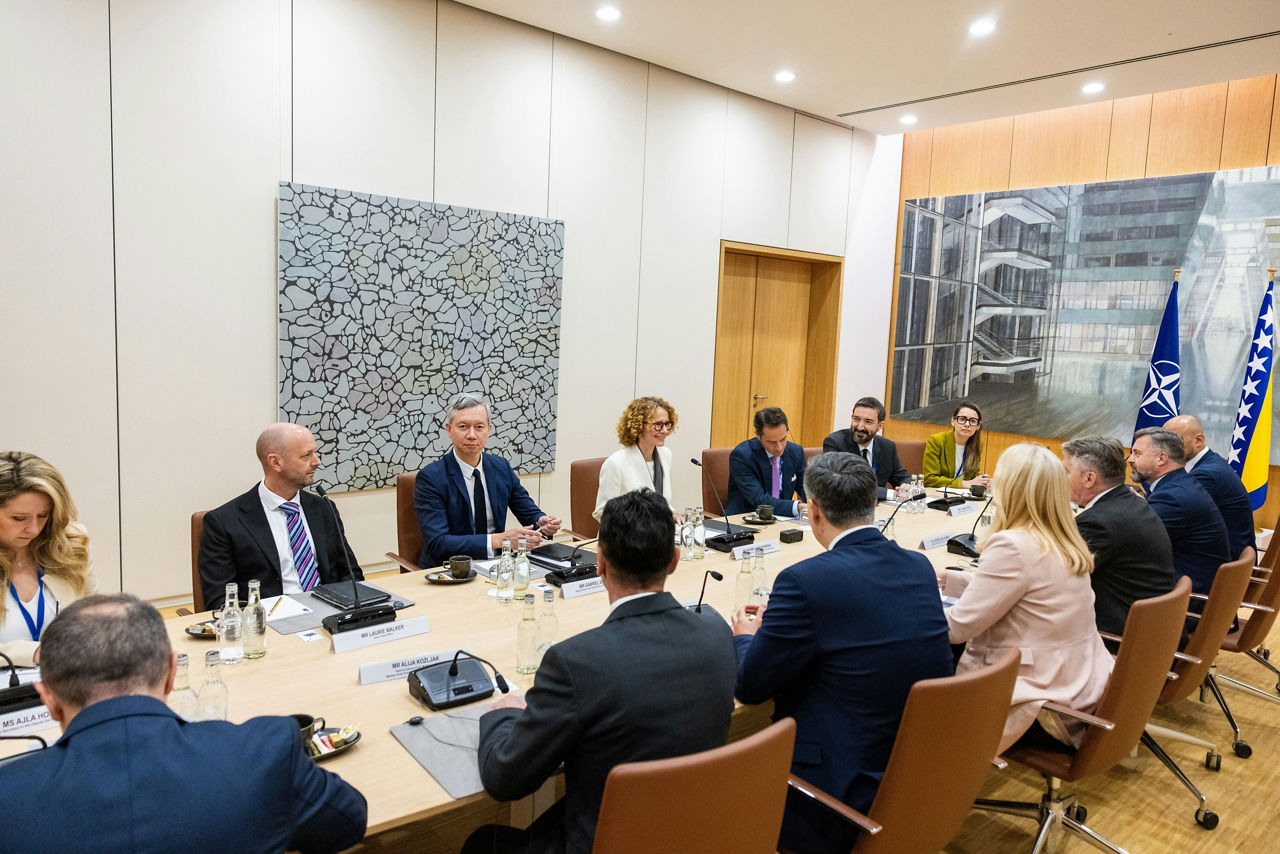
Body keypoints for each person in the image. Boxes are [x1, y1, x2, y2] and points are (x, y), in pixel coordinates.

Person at [463, 489, 736, 854]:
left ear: (601, 562)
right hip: (694, 830)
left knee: (482, 843)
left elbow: (505, 779)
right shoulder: (716, 631)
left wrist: (504, 715)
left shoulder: (575, 662)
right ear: (673, 560)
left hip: (606, 838)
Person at [0, 594, 367, 853]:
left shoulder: (9, 797)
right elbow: (348, 823)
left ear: (47, 697)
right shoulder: (263, 752)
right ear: (172, 673)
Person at [732, 453, 953, 854]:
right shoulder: (918, 566)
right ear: (874, 503)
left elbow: (750, 688)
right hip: (916, 776)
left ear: (813, 512)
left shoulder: (804, 581)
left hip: (834, 789)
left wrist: (746, 635)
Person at [939, 443, 1113, 753]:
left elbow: (956, 629)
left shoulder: (1013, 546)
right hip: (1081, 687)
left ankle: (938, 760)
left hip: (1040, 706)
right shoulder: (1061, 537)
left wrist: (906, 603)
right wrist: (947, 580)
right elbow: (1020, 591)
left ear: (1010, 488)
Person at [199, 423, 362, 611]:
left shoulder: (324, 508)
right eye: (306, 455)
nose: (317, 462)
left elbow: (351, 574)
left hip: (330, 614)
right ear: (276, 462)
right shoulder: (224, 522)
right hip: (268, 623)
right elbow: (220, 601)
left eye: (315, 453)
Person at [415, 392, 562, 567]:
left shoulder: (501, 467)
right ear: (449, 429)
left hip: (497, 565)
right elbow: (438, 542)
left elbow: (528, 512)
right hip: (450, 568)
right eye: (463, 426)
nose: (471, 435)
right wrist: (498, 540)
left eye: (479, 427)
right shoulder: (431, 477)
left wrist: (541, 521)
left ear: (489, 430)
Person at [1062, 437, 1175, 648]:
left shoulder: (1098, 523)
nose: (1060, 478)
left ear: (1089, 479)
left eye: (1066, 471)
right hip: (1151, 634)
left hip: (1118, 641)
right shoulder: (1129, 501)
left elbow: (1056, 578)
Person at [0, 452, 98, 667]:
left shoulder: (71, 542)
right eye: (19, 518)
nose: (33, 529)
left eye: (43, 516)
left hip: (68, 683)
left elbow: (94, 615)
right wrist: (33, 653)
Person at [1128, 427, 1230, 596]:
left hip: (1186, 603)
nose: (1130, 459)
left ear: (1162, 458)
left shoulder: (1171, 498)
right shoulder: (1181, 484)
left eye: (1137, 454)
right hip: (1196, 587)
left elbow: (1130, 544)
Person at [1164, 414, 1256, 560]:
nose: (1166, 448)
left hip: (1222, 565)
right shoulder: (1210, 462)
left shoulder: (1206, 475)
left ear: (1199, 441)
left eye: (1173, 441)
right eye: (1163, 441)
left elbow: (1171, 518)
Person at [593, 396, 677, 520]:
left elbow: (659, 500)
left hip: (659, 534)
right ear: (638, 425)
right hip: (627, 537)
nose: (664, 430)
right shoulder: (615, 463)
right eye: (658, 424)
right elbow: (602, 512)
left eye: (667, 424)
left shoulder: (666, 455)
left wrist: (672, 512)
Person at [724, 407, 808, 517]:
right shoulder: (742, 456)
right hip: (747, 519)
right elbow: (759, 500)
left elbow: (806, 489)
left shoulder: (796, 452)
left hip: (784, 519)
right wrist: (796, 507)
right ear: (758, 435)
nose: (779, 447)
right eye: (771, 442)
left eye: (783, 439)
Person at [822, 396, 910, 499]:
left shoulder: (887, 446)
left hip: (880, 508)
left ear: (880, 426)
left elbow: (901, 477)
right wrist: (888, 494)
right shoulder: (835, 443)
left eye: (868, 422)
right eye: (856, 419)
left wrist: (905, 486)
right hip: (847, 508)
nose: (860, 427)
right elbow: (843, 485)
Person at [922, 400, 991, 490]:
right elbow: (929, 479)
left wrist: (981, 480)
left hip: (964, 496)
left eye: (973, 421)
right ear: (953, 421)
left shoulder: (977, 445)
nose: (967, 424)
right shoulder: (936, 441)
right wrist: (965, 484)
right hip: (939, 495)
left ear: (978, 426)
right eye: (962, 419)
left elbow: (972, 476)